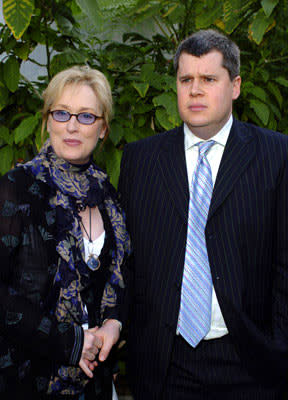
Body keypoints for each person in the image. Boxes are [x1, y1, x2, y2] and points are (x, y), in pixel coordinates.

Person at [118, 29, 288, 400]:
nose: (195, 90)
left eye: (208, 79)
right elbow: (127, 264)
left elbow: (284, 266)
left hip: (250, 361)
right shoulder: (140, 160)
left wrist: (279, 348)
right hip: (164, 363)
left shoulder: (277, 156)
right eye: (186, 79)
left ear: (236, 85)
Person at [0, 65, 130, 399]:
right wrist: (71, 342)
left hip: (94, 384)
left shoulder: (109, 197)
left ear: (103, 129)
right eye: (61, 113)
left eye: (86, 116)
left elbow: (122, 278)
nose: (72, 126)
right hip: (27, 380)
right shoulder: (17, 189)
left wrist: (114, 322)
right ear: (46, 121)